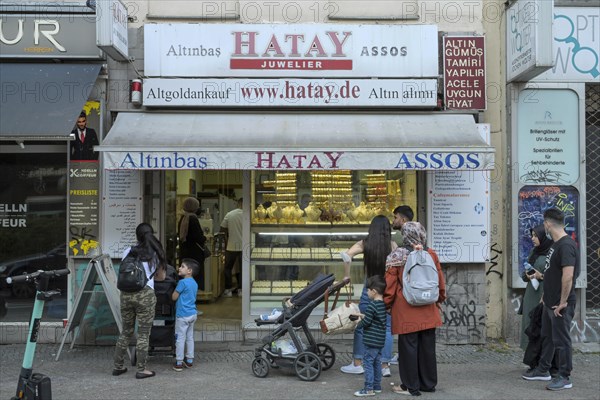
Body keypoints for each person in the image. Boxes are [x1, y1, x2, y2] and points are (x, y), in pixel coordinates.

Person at [384, 221, 446, 396]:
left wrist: (387, 304)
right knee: (427, 347)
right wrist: (439, 299)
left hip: (406, 309)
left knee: (408, 348)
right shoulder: (430, 253)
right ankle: (428, 383)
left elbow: (390, 285)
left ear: (404, 235)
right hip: (428, 308)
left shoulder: (396, 256)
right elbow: (440, 280)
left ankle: (410, 386)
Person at [522, 208, 580, 391]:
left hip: (560, 303)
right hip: (549, 301)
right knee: (547, 337)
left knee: (562, 341)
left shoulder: (566, 246)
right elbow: (552, 274)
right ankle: (543, 370)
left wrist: (562, 302)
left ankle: (564, 377)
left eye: (544, 223)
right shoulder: (555, 245)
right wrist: (545, 297)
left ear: (547, 224)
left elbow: (568, 276)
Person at [340, 215, 397, 378]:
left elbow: (346, 256)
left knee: (362, 325)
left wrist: (346, 276)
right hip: (387, 288)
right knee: (386, 328)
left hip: (370, 288)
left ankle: (357, 363)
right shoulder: (392, 245)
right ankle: (385, 365)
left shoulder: (364, 243)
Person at [113, 222, 166, 379]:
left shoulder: (127, 251)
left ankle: (118, 366)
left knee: (126, 331)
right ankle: (141, 369)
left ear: (137, 236)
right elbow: (161, 277)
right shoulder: (155, 253)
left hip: (126, 294)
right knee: (143, 333)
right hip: (145, 295)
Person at [353, 275, 387, 397]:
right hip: (379, 341)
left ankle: (368, 388)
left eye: (367, 290)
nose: (366, 292)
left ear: (374, 291)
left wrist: (358, 323)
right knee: (377, 362)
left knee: (367, 363)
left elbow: (367, 323)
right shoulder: (383, 305)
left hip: (371, 340)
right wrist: (363, 316)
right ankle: (377, 386)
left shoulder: (371, 305)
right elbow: (375, 320)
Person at [520, 224, 553, 351]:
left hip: (543, 295)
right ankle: (532, 361)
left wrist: (541, 276)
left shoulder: (552, 252)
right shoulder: (534, 252)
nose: (533, 238)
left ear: (543, 237)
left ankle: (542, 361)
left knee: (542, 327)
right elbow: (524, 275)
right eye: (532, 236)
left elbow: (555, 276)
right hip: (530, 296)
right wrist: (528, 275)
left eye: (536, 236)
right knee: (530, 326)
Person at [172, 258, 199, 372]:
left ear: (189, 271)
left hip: (182, 315)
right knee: (190, 338)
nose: (179, 268)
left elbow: (174, 297)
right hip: (192, 314)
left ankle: (179, 362)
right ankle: (189, 361)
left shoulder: (182, 282)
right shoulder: (194, 283)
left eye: (182, 266)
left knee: (180, 338)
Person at [178, 197, 207, 290]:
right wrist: (205, 238)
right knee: (195, 274)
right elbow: (198, 237)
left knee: (185, 273)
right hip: (195, 253)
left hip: (184, 251)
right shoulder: (193, 219)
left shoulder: (183, 218)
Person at [220, 198, 243, 297]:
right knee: (243, 269)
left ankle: (228, 289)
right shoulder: (249, 215)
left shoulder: (230, 214)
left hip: (231, 246)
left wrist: (227, 237)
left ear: (238, 203)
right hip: (245, 246)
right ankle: (241, 290)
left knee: (228, 268)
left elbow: (222, 229)